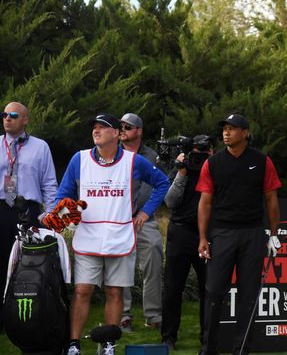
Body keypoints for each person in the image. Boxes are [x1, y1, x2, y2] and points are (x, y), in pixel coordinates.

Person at [55, 114, 170, 355]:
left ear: (116, 134)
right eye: (94, 127)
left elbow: (162, 182)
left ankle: (108, 344)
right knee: (82, 290)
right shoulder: (80, 159)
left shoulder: (133, 161)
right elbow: (63, 193)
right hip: (88, 235)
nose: (96, 131)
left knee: (114, 291)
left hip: (120, 235)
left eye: (103, 128)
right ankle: (73, 344)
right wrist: (66, 211)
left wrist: (146, 213)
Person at [196, 113, 282, 355]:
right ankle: (208, 349)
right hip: (222, 233)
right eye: (225, 128)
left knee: (248, 294)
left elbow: (271, 199)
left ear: (245, 132)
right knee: (214, 292)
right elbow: (205, 203)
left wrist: (274, 234)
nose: (226, 132)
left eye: (233, 128)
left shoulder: (262, 161)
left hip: (253, 233)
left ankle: (242, 349)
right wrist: (203, 237)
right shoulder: (212, 163)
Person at [0, 102, 58, 330]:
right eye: (4, 114)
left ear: (25, 119)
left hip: (28, 211)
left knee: (26, 264)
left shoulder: (40, 147)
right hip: (2, 209)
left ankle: (25, 315)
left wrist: (51, 216)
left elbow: (49, 183)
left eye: (13, 115)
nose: (7, 119)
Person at [161, 134, 214, 350]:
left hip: (208, 234)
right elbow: (170, 201)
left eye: (206, 151)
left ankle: (208, 338)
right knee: (173, 288)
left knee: (208, 289)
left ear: (212, 151)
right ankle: (168, 337)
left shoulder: (216, 168)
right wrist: (181, 171)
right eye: (197, 151)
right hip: (180, 232)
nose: (201, 156)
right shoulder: (182, 168)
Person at [118, 112, 164, 332]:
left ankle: (153, 314)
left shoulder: (151, 156)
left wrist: (144, 213)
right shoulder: (113, 154)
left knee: (154, 251)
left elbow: (155, 187)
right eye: (121, 127)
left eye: (128, 127)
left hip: (144, 218)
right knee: (120, 265)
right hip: (118, 220)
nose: (123, 131)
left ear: (139, 131)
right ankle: (124, 315)